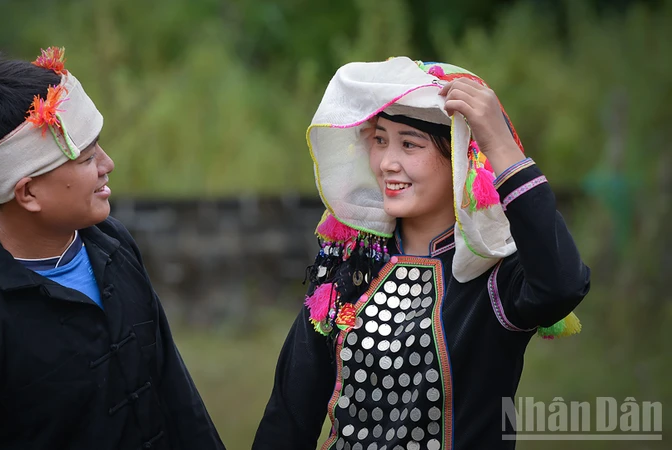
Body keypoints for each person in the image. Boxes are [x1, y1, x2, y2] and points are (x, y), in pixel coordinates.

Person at [0, 46, 225, 450]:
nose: (107, 165)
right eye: (86, 158)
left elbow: (176, 395)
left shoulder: (112, 245)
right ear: (28, 192)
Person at [253, 57, 591, 450]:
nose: (386, 163)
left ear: (458, 157)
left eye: (409, 144)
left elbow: (561, 287)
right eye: (380, 140)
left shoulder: (495, 275)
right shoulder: (349, 266)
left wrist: (500, 145)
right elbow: (289, 415)